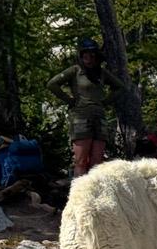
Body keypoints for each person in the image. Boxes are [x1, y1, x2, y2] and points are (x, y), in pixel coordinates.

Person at [47, 37, 127, 177]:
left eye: (92, 55)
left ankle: (94, 193)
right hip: (81, 117)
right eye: (85, 55)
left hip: (99, 117)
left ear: (96, 56)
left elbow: (120, 87)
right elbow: (52, 84)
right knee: (81, 160)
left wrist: (105, 102)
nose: (89, 58)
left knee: (97, 162)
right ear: (81, 55)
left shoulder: (101, 73)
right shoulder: (75, 71)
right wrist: (69, 100)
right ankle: (80, 194)